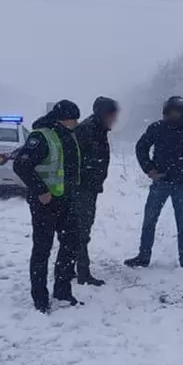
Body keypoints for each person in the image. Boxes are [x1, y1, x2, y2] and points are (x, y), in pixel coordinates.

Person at [13, 100, 83, 313]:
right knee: (42, 249)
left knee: (70, 244)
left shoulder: (67, 135)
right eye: (74, 119)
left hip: (66, 200)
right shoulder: (41, 136)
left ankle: (62, 290)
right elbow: (21, 165)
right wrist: (41, 191)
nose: (76, 123)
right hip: (45, 202)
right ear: (64, 118)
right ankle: (40, 298)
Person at [125, 96, 183, 270]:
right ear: (166, 111)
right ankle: (143, 256)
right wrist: (149, 169)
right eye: (171, 111)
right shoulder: (157, 128)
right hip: (160, 182)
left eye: (177, 111)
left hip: (182, 184)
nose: (174, 114)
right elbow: (141, 147)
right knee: (149, 220)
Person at [73, 96, 119, 286]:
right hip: (81, 189)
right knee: (81, 229)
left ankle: (71, 268)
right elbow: (77, 160)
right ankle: (82, 272)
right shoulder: (86, 130)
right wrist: (87, 179)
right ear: (104, 114)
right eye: (112, 115)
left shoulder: (98, 129)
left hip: (88, 188)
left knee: (81, 228)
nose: (115, 119)